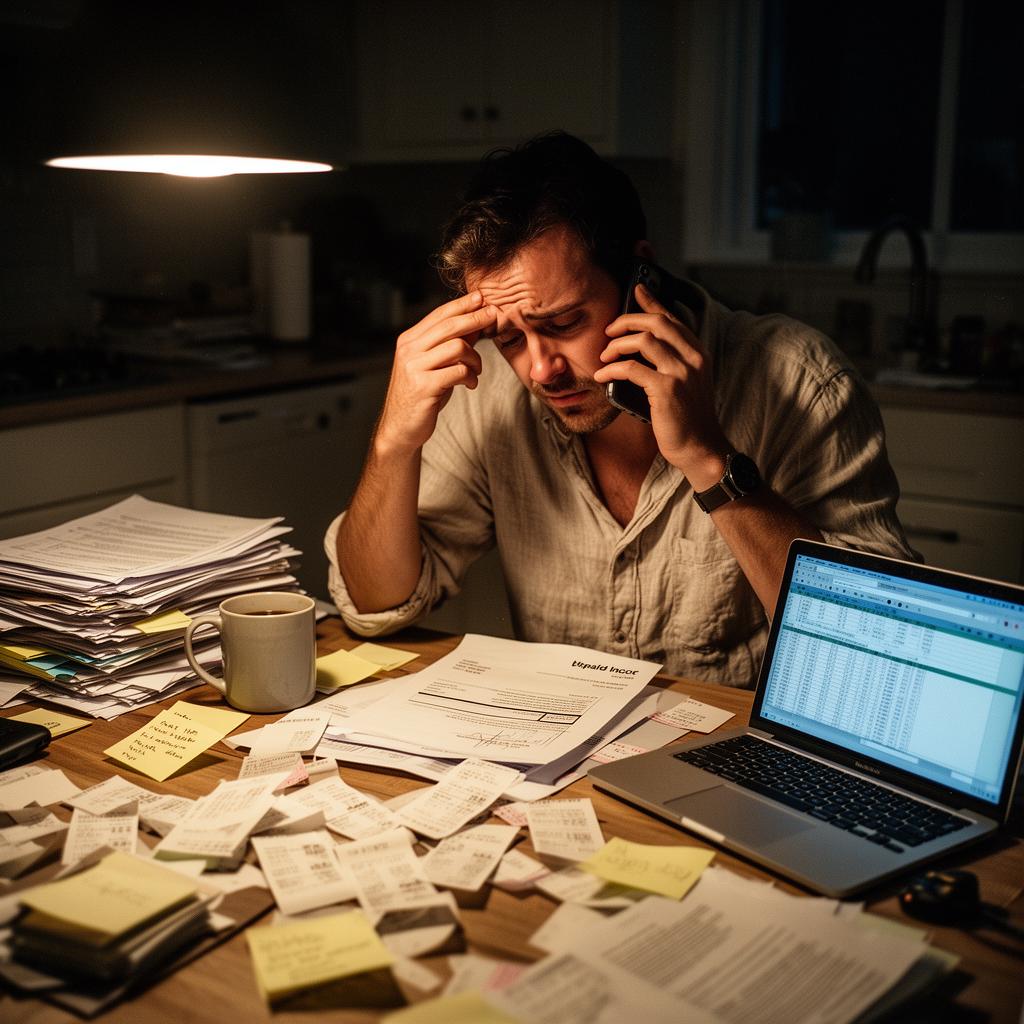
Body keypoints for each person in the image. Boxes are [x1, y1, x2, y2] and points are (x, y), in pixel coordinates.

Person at [325, 131, 914, 686]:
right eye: (507, 337)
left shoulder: (804, 381)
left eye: (564, 323)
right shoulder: (489, 396)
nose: (540, 370)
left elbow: (873, 652)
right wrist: (394, 443)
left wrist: (707, 458)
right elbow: (376, 606)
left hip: (732, 746)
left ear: (641, 278)